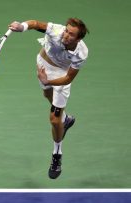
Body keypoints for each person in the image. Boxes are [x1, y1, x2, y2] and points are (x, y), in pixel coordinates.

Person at [8, 18, 89, 179]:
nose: (65, 35)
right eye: (66, 30)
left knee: (53, 119)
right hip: (43, 66)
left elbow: (68, 79)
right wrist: (21, 27)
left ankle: (57, 154)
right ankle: (65, 119)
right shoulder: (57, 31)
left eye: (71, 34)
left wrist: (49, 81)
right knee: (47, 95)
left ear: (79, 39)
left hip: (61, 76)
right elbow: (35, 24)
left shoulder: (81, 53)